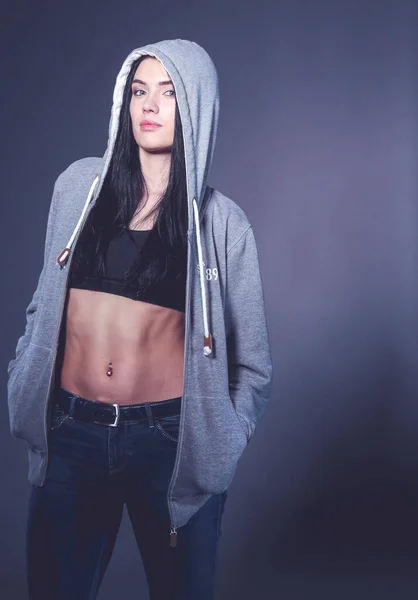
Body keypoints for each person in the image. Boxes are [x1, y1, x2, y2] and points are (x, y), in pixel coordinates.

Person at [6, 39, 273, 600]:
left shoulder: (223, 225)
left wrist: (222, 443)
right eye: (138, 90)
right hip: (71, 437)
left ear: (195, 104)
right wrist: (22, 380)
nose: (149, 105)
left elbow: (252, 365)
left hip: (169, 445)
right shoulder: (77, 188)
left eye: (168, 92)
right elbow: (42, 305)